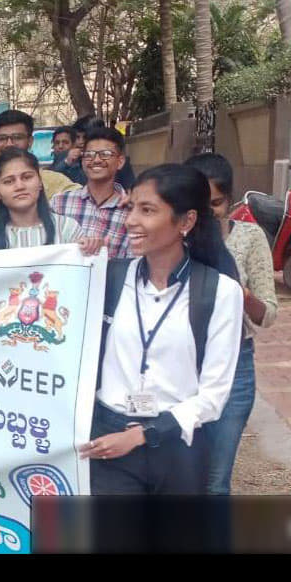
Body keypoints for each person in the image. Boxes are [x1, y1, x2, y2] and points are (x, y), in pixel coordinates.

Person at [79, 164, 243, 495]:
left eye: (147, 210)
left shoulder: (220, 292)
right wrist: (79, 258)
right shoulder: (108, 277)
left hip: (177, 446)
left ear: (186, 221)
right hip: (109, 439)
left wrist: (143, 435)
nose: (130, 220)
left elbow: (214, 395)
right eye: (131, 208)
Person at [186, 153, 278, 495]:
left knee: (215, 480)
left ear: (230, 200)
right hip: (179, 364)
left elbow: (267, 315)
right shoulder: (172, 238)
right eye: (200, 204)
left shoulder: (249, 238)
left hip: (233, 366)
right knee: (177, 477)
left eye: (216, 203)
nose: (208, 212)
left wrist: (240, 294)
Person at [0, 110, 78, 229]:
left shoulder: (58, 183)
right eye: (2, 138)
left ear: (30, 141)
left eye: (17, 137)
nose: (9, 144)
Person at [0, 148, 86, 251]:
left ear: (40, 182)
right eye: (9, 181)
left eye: (27, 177)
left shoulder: (67, 228)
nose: (19, 186)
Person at [50, 127, 134, 259]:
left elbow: (132, 260)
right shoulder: (60, 203)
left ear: (120, 161)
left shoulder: (131, 210)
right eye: (89, 154)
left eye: (105, 154)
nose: (96, 160)